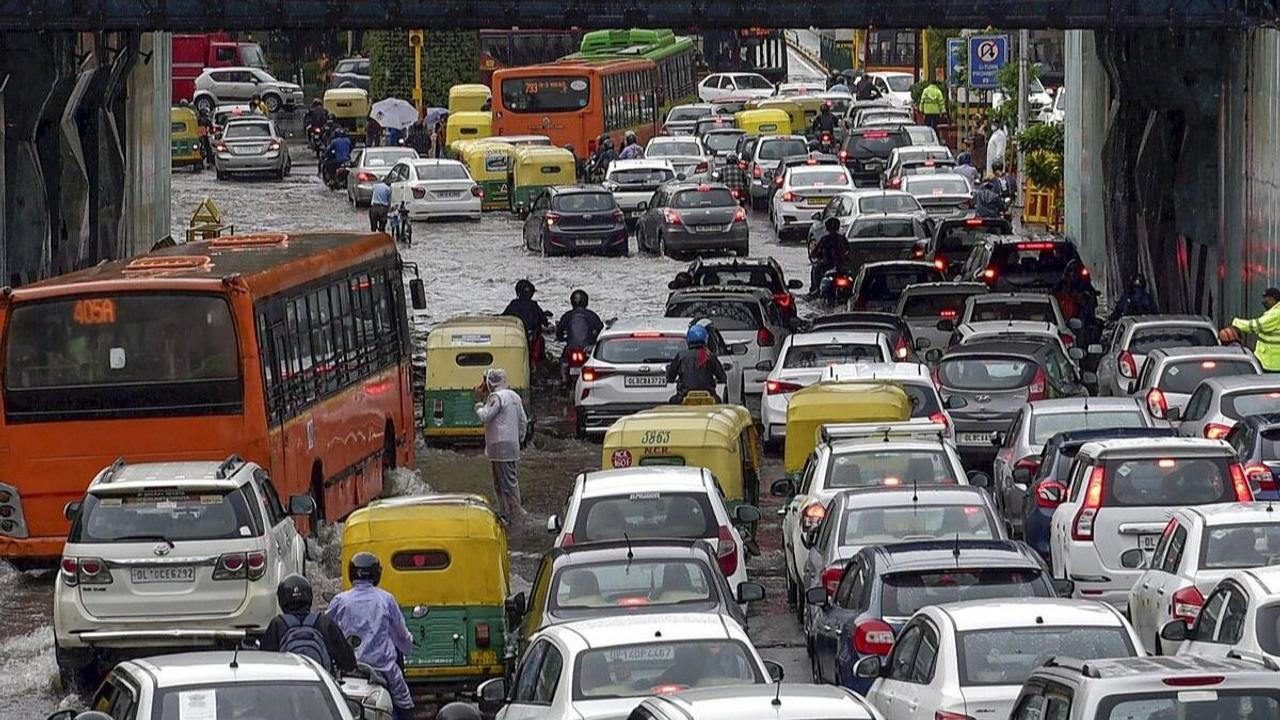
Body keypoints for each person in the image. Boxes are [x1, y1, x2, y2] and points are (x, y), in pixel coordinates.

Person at [327, 553, 415, 720]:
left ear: (351, 572)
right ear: (377, 573)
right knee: (406, 705)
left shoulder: (340, 600)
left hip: (347, 670)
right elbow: (401, 634)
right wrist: (408, 645)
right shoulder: (386, 599)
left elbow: (327, 628)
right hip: (384, 670)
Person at [260, 575, 358, 676]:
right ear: (309, 597)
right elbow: (348, 663)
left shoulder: (277, 624)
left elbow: (264, 663)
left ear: (281, 599)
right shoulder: (324, 623)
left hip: (287, 687)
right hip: (320, 685)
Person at [474, 367, 528, 523]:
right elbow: (523, 420)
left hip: (499, 446)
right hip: (511, 445)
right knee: (507, 479)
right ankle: (507, 511)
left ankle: (514, 513)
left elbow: (485, 416)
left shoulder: (496, 398)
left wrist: (478, 404)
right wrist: (519, 439)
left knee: (504, 481)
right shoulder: (514, 396)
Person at [1222, 288, 1280, 371]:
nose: (1263, 302)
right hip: (1269, 360)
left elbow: (1256, 325)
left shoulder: (1276, 314)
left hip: (1272, 363)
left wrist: (1235, 322)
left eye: (1266, 300)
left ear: (1273, 300)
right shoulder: (1274, 312)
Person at [666, 324, 726, 402]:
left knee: (672, 402)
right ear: (705, 339)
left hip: (683, 397)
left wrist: (671, 378)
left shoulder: (681, 356)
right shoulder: (710, 356)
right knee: (719, 402)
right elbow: (722, 377)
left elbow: (670, 376)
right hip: (708, 397)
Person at [556, 289, 604, 379]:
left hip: (571, 348)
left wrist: (561, 338)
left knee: (563, 360)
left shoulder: (568, 315)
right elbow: (601, 330)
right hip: (587, 349)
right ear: (586, 302)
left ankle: (563, 379)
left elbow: (559, 330)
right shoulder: (592, 315)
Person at [809, 217, 851, 295]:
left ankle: (815, 289)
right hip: (841, 266)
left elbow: (814, 253)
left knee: (815, 268)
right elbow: (849, 251)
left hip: (827, 265)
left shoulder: (825, 239)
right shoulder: (842, 239)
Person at [502, 279, 549, 344]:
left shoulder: (513, 304)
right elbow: (545, 322)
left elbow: (503, 318)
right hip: (531, 339)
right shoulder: (534, 305)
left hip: (515, 337)